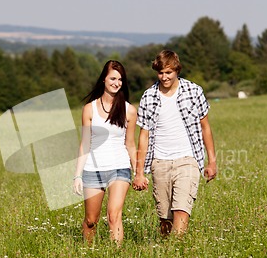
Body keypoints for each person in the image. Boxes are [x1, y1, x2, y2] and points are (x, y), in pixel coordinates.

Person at [133, 50, 217, 239]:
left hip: (187, 159)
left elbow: (206, 128)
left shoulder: (193, 91)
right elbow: (143, 137)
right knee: (165, 218)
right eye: (161, 73)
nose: (164, 77)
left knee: (181, 210)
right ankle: (167, 257)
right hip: (159, 162)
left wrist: (211, 161)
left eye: (168, 72)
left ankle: (177, 251)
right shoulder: (148, 97)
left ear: (177, 70)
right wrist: (139, 173)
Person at [73, 60, 137, 245]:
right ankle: (89, 254)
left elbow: (131, 144)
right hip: (93, 169)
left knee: (114, 215)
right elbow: (85, 144)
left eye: (120, 79)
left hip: (120, 168)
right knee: (91, 220)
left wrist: (139, 172)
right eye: (113, 78)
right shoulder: (89, 109)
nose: (117, 83)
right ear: (103, 79)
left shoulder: (129, 111)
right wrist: (77, 175)